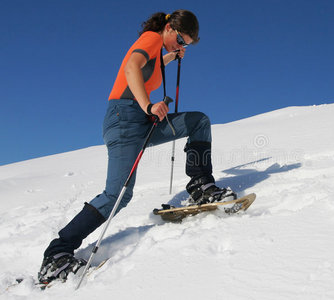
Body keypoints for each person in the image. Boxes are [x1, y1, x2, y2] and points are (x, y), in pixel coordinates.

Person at [38, 10, 235, 284]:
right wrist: (148, 105)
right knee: (117, 194)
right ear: (168, 28)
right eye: (179, 39)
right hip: (124, 119)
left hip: (141, 120)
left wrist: (171, 57)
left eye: (185, 44)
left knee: (199, 121)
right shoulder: (151, 38)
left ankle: (200, 185)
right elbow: (132, 67)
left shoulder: (159, 50)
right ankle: (56, 255)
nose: (180, 46)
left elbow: (150, 69)